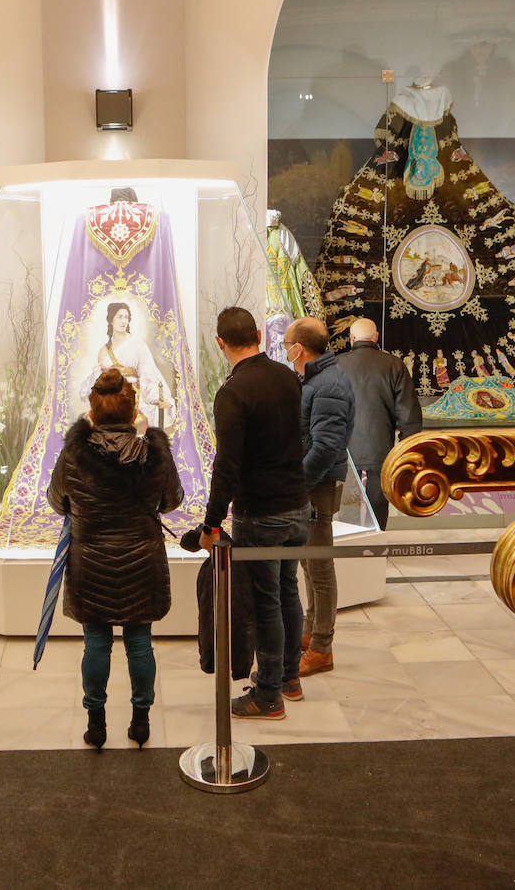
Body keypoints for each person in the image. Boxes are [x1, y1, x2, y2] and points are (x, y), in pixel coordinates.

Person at [48, 368, 183, 750]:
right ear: (133, 411)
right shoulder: (153, 454)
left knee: (96, 643)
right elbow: (173, 501)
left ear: (92, 412)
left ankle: (96, 723)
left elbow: (57, 501)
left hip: (91, 562)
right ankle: (141, 720)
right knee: (140, 642)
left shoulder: (74, 456)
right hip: (142, 558)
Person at [200, 307, 310, 720]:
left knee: (265, 602)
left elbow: (226, 466)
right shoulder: (287, 377)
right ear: (260, 335)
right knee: (287, 591)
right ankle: (288, 679)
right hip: (297, 504)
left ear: (219, 343)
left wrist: (211, 523)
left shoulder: (233, 393)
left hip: (261, 511)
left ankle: (267, 695)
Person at [284, 317, 355, 677]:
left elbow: (326, 445)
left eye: (286, 344)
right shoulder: (316, 380)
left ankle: (322, 647)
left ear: (300, 347)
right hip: (311, 484)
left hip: (318, 485)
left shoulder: (327, 384)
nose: (284, 350)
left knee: (320, 567)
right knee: (309, 564)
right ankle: (311, 632)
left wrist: (299, 483)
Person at [334, 317, 423, 529]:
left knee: (348, 501)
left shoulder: (336, 365)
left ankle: (350, 543)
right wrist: (405, 449)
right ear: (376, 337)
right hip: (381, 446)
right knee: (378, 501)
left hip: (344, 448)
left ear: (351, 338)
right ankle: (375, 543)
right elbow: (409, 415)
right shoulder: (394, 365)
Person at [83, 302, 175, 429]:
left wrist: (156, 397)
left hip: (132, 399)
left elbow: (148, 373)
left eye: (126, 317)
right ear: (111, 320)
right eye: (119, 317)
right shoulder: (103, 351)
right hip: (109, 399)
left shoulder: (138, 344)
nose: (123, 321)